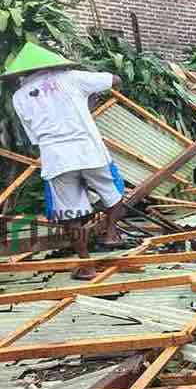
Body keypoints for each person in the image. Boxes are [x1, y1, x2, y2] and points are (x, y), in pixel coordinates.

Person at [2, 42, 125, 281]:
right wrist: (88, 100)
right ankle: (111, 234)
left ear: (23, 72)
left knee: (72, 214)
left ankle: (86, 265)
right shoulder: (72, 78)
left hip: (56, 158)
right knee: (114, 192)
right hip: (90, 151)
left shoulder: (19, 97)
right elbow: (115, 79)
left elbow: (35, 137)